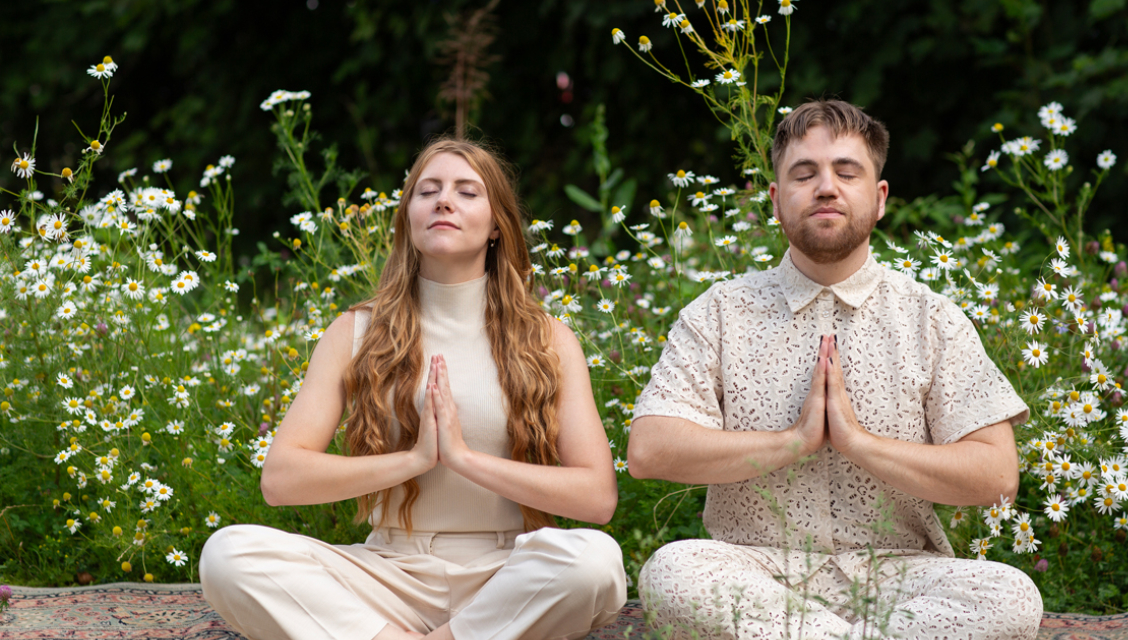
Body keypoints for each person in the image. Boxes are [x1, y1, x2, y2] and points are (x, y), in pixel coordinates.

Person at [627, 100, 1043, 639]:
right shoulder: (719, 312)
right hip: (753, 572)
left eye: (847, 172)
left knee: (1011, 596)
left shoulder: (931, 317)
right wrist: (795, 441)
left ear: (880, 197)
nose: (827, 187)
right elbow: (650, 448)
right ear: (777, 201)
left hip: (899, 575)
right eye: (805, 174)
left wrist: (857, 442)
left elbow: (996, 475)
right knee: (674, 572)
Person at [201, 137, 627, 640]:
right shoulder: (355, 332)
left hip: (507, 574)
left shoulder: (549, 339)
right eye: (429, 190)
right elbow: (281, 479)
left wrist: (464, 459)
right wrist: (415, 459)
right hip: (386, 574)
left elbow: (597, 498)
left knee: (595, 561)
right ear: (408, 218)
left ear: (496, 226)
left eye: (467, 191)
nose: (444, 200)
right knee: (228, 554)